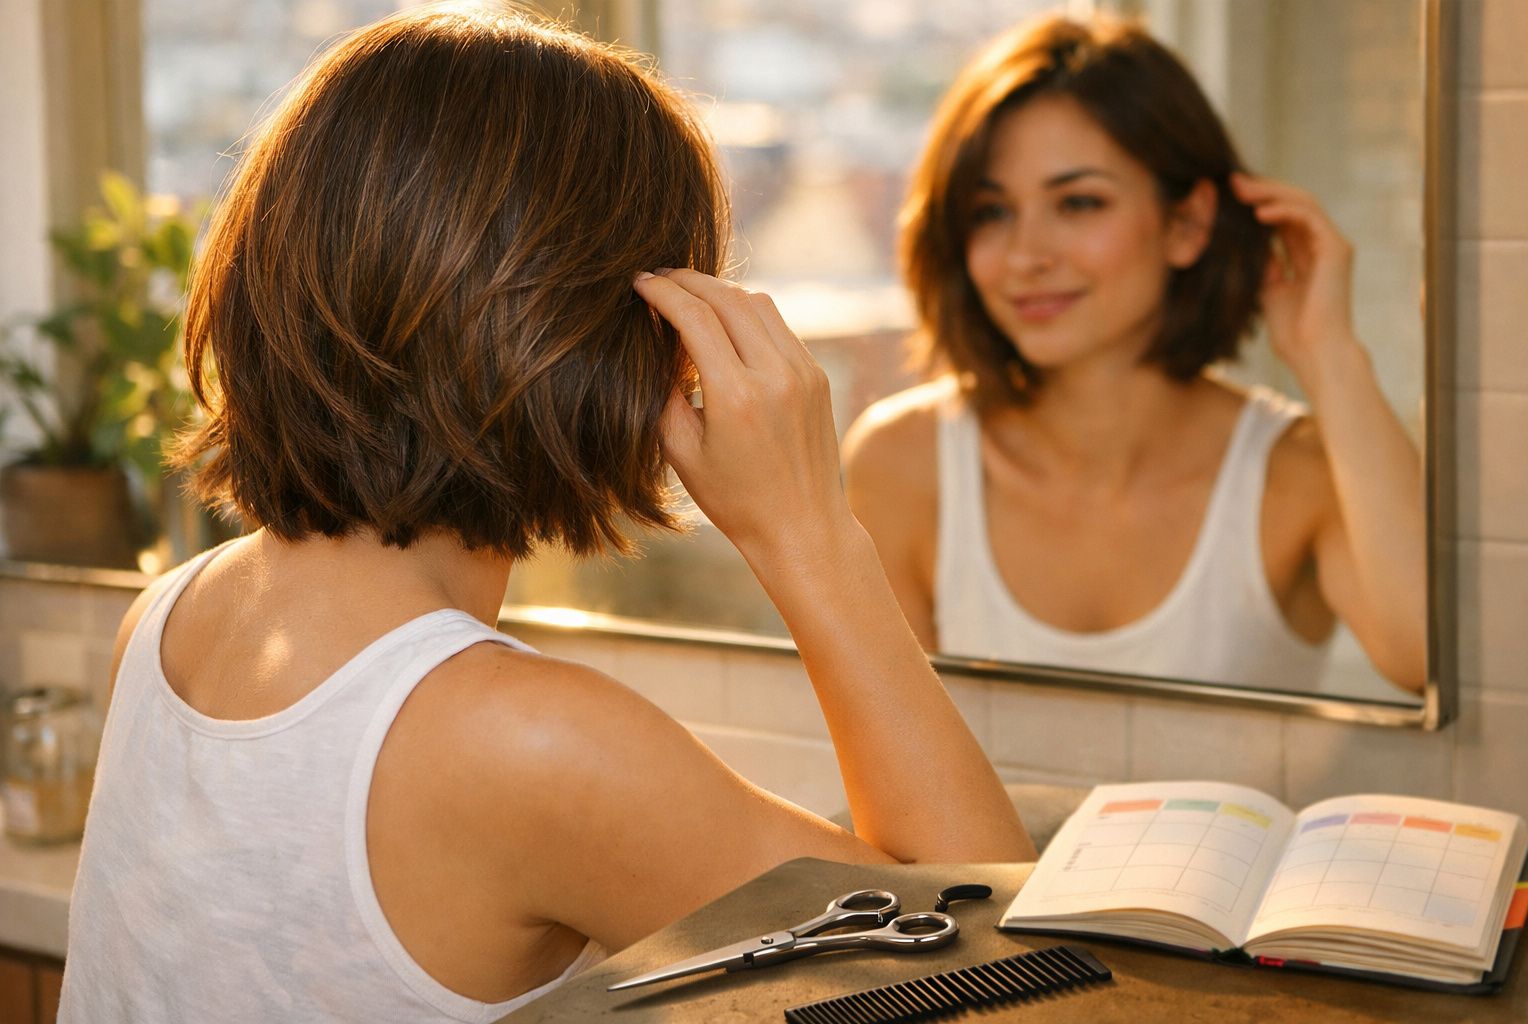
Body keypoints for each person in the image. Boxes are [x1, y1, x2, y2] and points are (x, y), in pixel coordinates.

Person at [57, 5, 1034, 1021]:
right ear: (612, 338)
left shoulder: (166, 619)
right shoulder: (527, 744)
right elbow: (1004, 971)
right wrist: (811, 537)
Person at [843, 15, 1426, 694]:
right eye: (990, 213)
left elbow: (1426, 664)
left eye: (1079, 203)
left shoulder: (1299, 474)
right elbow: (889, 757)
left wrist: (1328, 353)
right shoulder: (903, 462)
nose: (1027, 256)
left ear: (1187, 223)